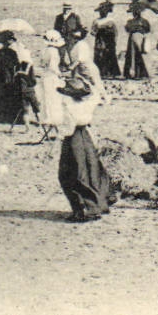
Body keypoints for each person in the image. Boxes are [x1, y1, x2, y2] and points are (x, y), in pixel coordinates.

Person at [55, 66, 112, 222]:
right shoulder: (89, 103)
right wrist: (85, 81)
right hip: (86, 135)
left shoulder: (69, 107)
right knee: (92, 169)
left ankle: (81, 210)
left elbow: (67, 128)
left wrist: (59, 136)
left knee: (71, 173)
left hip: (73, 138)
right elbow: (94, 93)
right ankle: (98, 205)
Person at [0, 30, 27, 128]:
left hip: (2, 75)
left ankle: (1, 117)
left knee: (2, 97)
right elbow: (17, 63)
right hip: (12, 75)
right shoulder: (13, 52)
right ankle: (14, 118)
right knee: (13, 97)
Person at [92, 2, 122, 80]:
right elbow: (92, 32)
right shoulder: (96, 21)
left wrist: (115, 40)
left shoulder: (111, 20)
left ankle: (112, 73)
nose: (103, 13)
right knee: (100, 55)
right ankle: (101, 73)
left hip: (109, 41)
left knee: (110, 55)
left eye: (104, 11)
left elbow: (115, 31)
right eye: (101, 11)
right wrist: (97, 31)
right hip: (100, 40)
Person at [122, 7, 151, 80]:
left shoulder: (130, 22)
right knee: (138, 55)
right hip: (139, 38)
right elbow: (148, 30)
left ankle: (132, 73)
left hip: (133, 39)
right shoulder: (144, 21)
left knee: (132, 55)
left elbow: (127, 29)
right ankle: (139, 73)